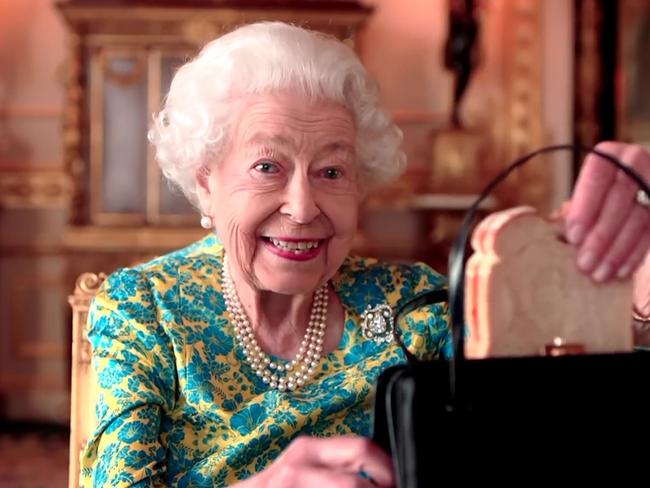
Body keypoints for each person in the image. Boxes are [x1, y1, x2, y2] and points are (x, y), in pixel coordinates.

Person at [80, 21, 650, 487]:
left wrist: (638, 287)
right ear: (206, 181)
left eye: (331, 171)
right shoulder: (144, 309)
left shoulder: (413, 306)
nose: (303, 207)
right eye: (267, 167)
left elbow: (563, 410)